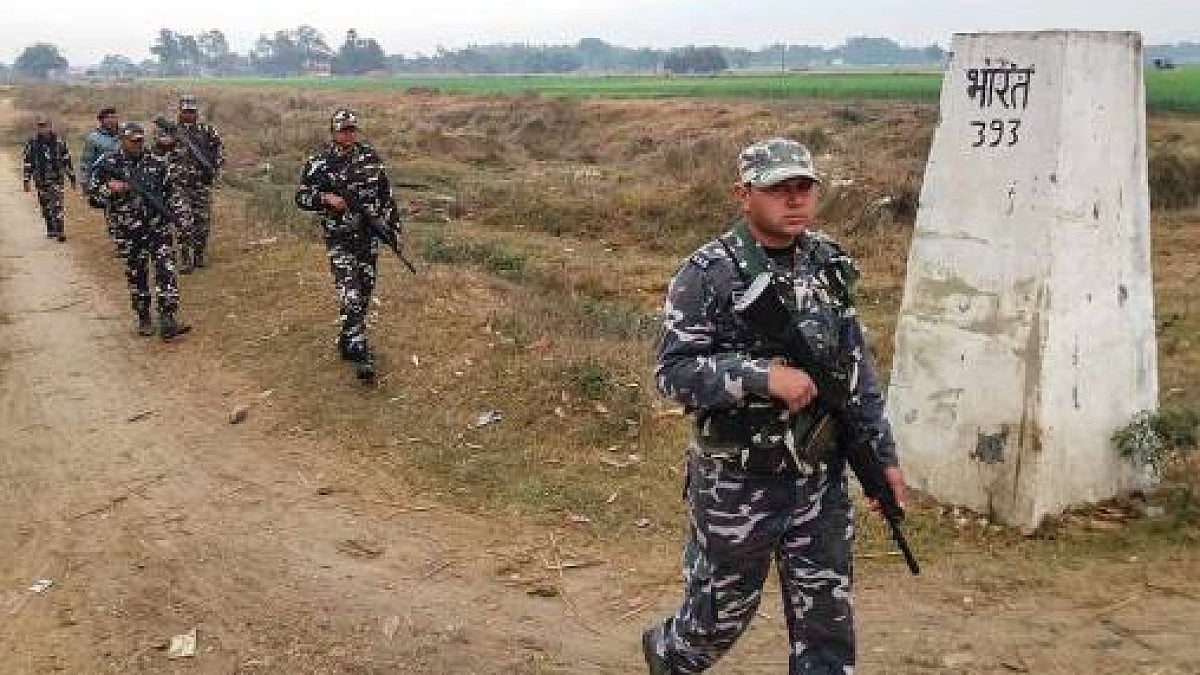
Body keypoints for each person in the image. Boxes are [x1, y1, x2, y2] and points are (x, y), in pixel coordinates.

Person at [642, 138, 905, 674]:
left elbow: (855, 371)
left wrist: (883, 458)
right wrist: (760, 377)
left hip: (819, 481)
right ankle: (669, 654)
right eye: (778, 189)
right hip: (738, 485)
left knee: (827, 625)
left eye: (804, 187)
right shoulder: (707, 272)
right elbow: (673, 373)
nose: (794, 199)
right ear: (744, 195)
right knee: (716, 621)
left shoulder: (828, 263)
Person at [295, 109, 401, 382]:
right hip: (339, 238)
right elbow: (301, 197)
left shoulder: (371, 158)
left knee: (364, 292)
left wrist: (393, 229)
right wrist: (325, 199)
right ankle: (361, 352)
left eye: (352, 129)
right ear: (333, 132)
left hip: (368, 238)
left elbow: (386, 197)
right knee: (350, 295)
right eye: (343, 130)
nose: (348, 134)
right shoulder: (318, 163)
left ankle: (348, 339)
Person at [88, 122, 191, 341]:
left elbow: (172, 193)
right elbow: (94, 197)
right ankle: (144, 316)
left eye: (140, 140)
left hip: (158, 227)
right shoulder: (108, 164)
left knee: (166, 269)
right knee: (137, 274)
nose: (138, 144)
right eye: (133, 141)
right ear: (122, 141)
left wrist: (182, 217)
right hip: (128, 231)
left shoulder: (157, 163)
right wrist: (110, 189)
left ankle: (168, 318)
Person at [171, 93, 224, 271]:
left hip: (201, 185)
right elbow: (156, 154)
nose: (189, 114)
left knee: (202, 225)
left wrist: (216, 171)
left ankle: (199, 256)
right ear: (179, 111)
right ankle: (186, 259)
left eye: (192, 111)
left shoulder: (207, 131)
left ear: (197, 112)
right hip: (178, 186)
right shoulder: (170, 131)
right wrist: (163, 145)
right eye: (185, 111)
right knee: (184, 223)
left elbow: (219, 151)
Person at [21, 116, 76, 242]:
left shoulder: (59, 142)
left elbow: (67, 160)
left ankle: (60, 231)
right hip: (40, 180)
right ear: (37, 128)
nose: (43, 129)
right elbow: (28, 162)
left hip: (56, 179)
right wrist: (26, 180)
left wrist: (72, 178)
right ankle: (51, 228)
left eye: (45, 126)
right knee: (45, 206)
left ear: (50, 127)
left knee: (57, 204)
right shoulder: (32, 143)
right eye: (40, 126)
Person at [80, 106, 123, 256]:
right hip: (106, 181)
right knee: (111, 210)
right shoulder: (93, 138)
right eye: (108, 117)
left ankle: (128, 239)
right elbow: (86, 161)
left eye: (114, 116)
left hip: (126, 178)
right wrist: (85, 183)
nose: (112, 120)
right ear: (101, 120)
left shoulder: (124, 133)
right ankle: (119, 242)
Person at [150, 126, 194, 272]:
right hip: (159, 196)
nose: (166, 139)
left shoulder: (181, 150)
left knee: (185, 225)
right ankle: (168, 259)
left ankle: (186, 259)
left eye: (168, 137)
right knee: (163, 229)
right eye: (162, 137)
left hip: (178, 193)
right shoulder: (150, 155)